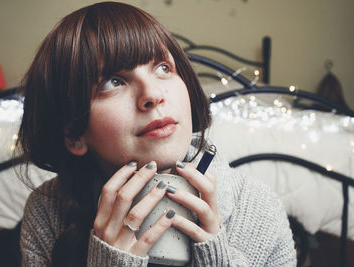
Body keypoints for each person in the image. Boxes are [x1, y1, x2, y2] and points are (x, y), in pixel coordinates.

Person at [18, 2, 296, 266]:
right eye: (113, 82)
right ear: (74, 136)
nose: (152, 94)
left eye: (163, 67)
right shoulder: (47, 211)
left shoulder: (258, 208)